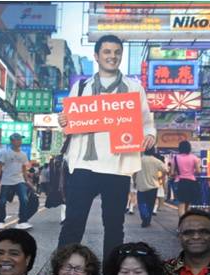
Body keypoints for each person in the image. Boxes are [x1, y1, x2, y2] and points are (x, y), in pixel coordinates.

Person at [56, 34, 157, 263]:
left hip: (117, 166)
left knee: (114, 227)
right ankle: (61, 274)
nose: (112, 56)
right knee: (73, 223)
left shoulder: (134, 88)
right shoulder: (81, 87)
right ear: (97, 56)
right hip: (83, 165)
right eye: (107, 52)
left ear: (120, 56)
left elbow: (147, 122)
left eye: (116, 52)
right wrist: (63, 120)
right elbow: (69, 122)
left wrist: (150, 135)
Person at [0, 133, 35, 230]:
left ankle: (22, 221)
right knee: (2, 201)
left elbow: (24, 169)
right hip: (6, 180)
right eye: (18, 139)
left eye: (21, 139)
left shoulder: (23, 154)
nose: (20, 141)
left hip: (19, 180)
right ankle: (0, 221)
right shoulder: (5, 152)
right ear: (12, 141)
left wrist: (27, 181)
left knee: (24, 199)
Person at [134, 147, 168, 228]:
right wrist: (160, 177)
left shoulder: (139, 160)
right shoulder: (156, 161)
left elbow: (134, 172)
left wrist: (135, 180)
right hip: (153, 186)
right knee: (150, 204)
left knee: (142, 204)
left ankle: (144, 218)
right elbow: (166, 170)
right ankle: (147, 220)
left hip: (141, 186)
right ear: (153, 151)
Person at [169, 141, 203, 213]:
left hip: (180, 182)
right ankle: (186, 221)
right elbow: (198, 172)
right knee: (188, 203)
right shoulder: (194, 158)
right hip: (191, 182)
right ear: (189, 148)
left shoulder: (175, 158)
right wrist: (192, 171)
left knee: (181, 203)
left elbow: (172, 173)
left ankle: (181, 221)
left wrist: (177, 173)